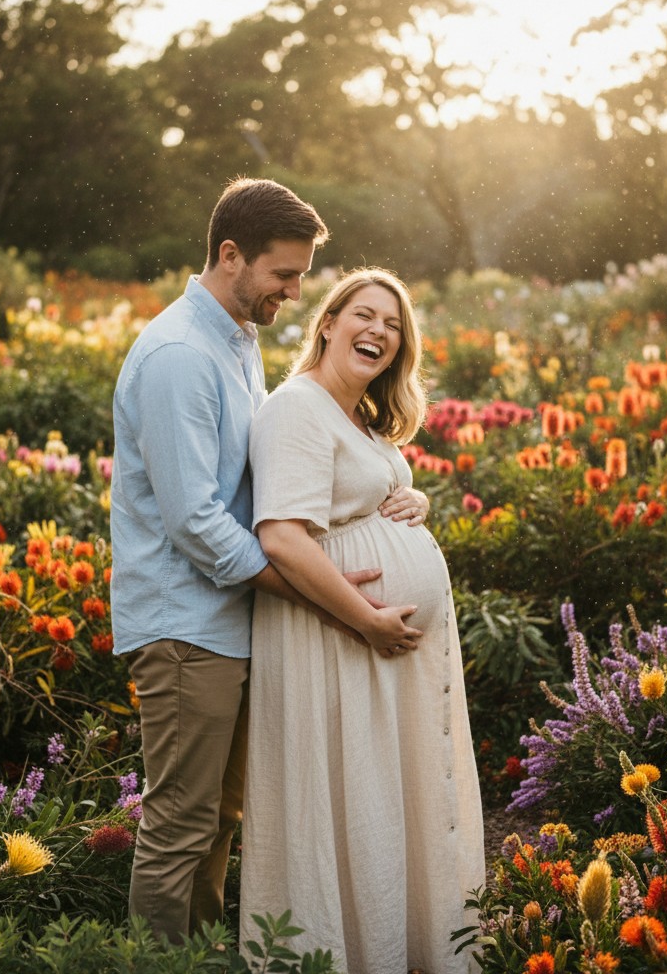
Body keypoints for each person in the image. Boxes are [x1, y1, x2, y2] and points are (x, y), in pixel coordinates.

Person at [110, 180, 423, 943]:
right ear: (229, 255)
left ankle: (200, 952)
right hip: (188, 626)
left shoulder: (235, 340)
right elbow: (197, 521)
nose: (295, 292)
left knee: (218, 817)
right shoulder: (182, 355)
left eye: (301, 276)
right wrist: (314, 591)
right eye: (284, 275)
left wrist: (395, 502)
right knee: (182, 821)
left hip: (231, 620)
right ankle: (157, 964)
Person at [239, 268, 486, 974]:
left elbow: (364, 497)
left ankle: (403, 947)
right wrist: (368, 621)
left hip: (373, 646)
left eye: (395, 324)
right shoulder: (297, 408)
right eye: (365, 315)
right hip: (336, 639)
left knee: (384, 804)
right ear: (327, 321)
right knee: (352, 805)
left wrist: (414, 502)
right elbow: (282, 537)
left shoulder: (358, 419)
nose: (380, 330)